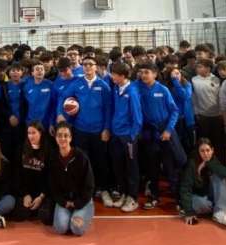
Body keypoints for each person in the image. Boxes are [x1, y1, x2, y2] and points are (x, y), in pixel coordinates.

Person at [59, 56, 113, 207]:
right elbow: (64, 97)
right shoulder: (77, 83)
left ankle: (103, 190)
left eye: (91, 64)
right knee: (81, 162)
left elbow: (109, 109)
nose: (88, 67)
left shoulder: (103, 85)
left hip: (98, 131)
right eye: (85, 64)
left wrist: (107, 128)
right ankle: (84, 191)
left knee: (100, 161)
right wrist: (60, 113)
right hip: (81, 130)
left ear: (96, 67)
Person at [136, 62, 186, 209]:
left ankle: (179, 199)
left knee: (171, 166)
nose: (144, 75)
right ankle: (154, 196)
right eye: (142, 72)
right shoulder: (137, 88)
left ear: (155, 74)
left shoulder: (163, 90)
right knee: (152, 167)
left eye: (147, 72)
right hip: (148, 132)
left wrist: (169, 130)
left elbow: (174, 111)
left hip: (165, 130)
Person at [50, 122, 95, 236]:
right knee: (61, 229)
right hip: (64, 201)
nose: (62, 138)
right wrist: (63, 202)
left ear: (70, 138)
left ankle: (85, 211)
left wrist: (78, 203)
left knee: (76, 229)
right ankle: (71, 215)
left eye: (66, 135)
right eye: (59, 135)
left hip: (82, 200)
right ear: (55, 138)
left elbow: (89, 185)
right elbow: (52, 186)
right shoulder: (53, 158)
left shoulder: (81, 157)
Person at [109, 62, 142, 212]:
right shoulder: (116, 88)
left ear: (122, 76)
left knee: (131, 167)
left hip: (127, 137)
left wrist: (132, 136)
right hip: (116, 134)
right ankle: (122, 193)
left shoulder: (132, 91)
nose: (111, 76)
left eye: (114, 74)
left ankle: (133, 197)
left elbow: (137, 117)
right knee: (118, 166)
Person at [179, 138, 226, 227]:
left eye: (208, 150)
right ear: (198, 152)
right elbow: (185, 188)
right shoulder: (192, 164)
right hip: (199, 198)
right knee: (201, 204)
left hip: (211, 195)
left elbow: (225, 173)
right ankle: (219, 208)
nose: (205, 154)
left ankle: (220, 212)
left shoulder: (214, 161)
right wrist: (188, 212)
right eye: (202, 151)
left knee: (219, 175)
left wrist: (208, 164)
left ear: (212, 150)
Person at [12, 121, 54, 224]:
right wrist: (25, 194)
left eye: (34, 133)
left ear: (40, 133)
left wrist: (41, 197)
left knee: (46, 218)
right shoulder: (21, 149)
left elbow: (51, 177)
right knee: (19, 216)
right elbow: (17, 174)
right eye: (29, 133)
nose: (31, 136)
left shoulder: (49, 151)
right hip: (26, 193)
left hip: (42, 194)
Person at [192, 58, 225, 158]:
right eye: (197, 67)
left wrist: (222, 114)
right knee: (204, 142)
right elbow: (193, 98)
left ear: (208, 68)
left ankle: (218, 161)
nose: (198, 69)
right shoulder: (194, 80)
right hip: (203, 116)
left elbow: (221, 97)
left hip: (217, 116)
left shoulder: (216, 79)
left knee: (217, 142)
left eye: (200, 67)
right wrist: (196, 113)